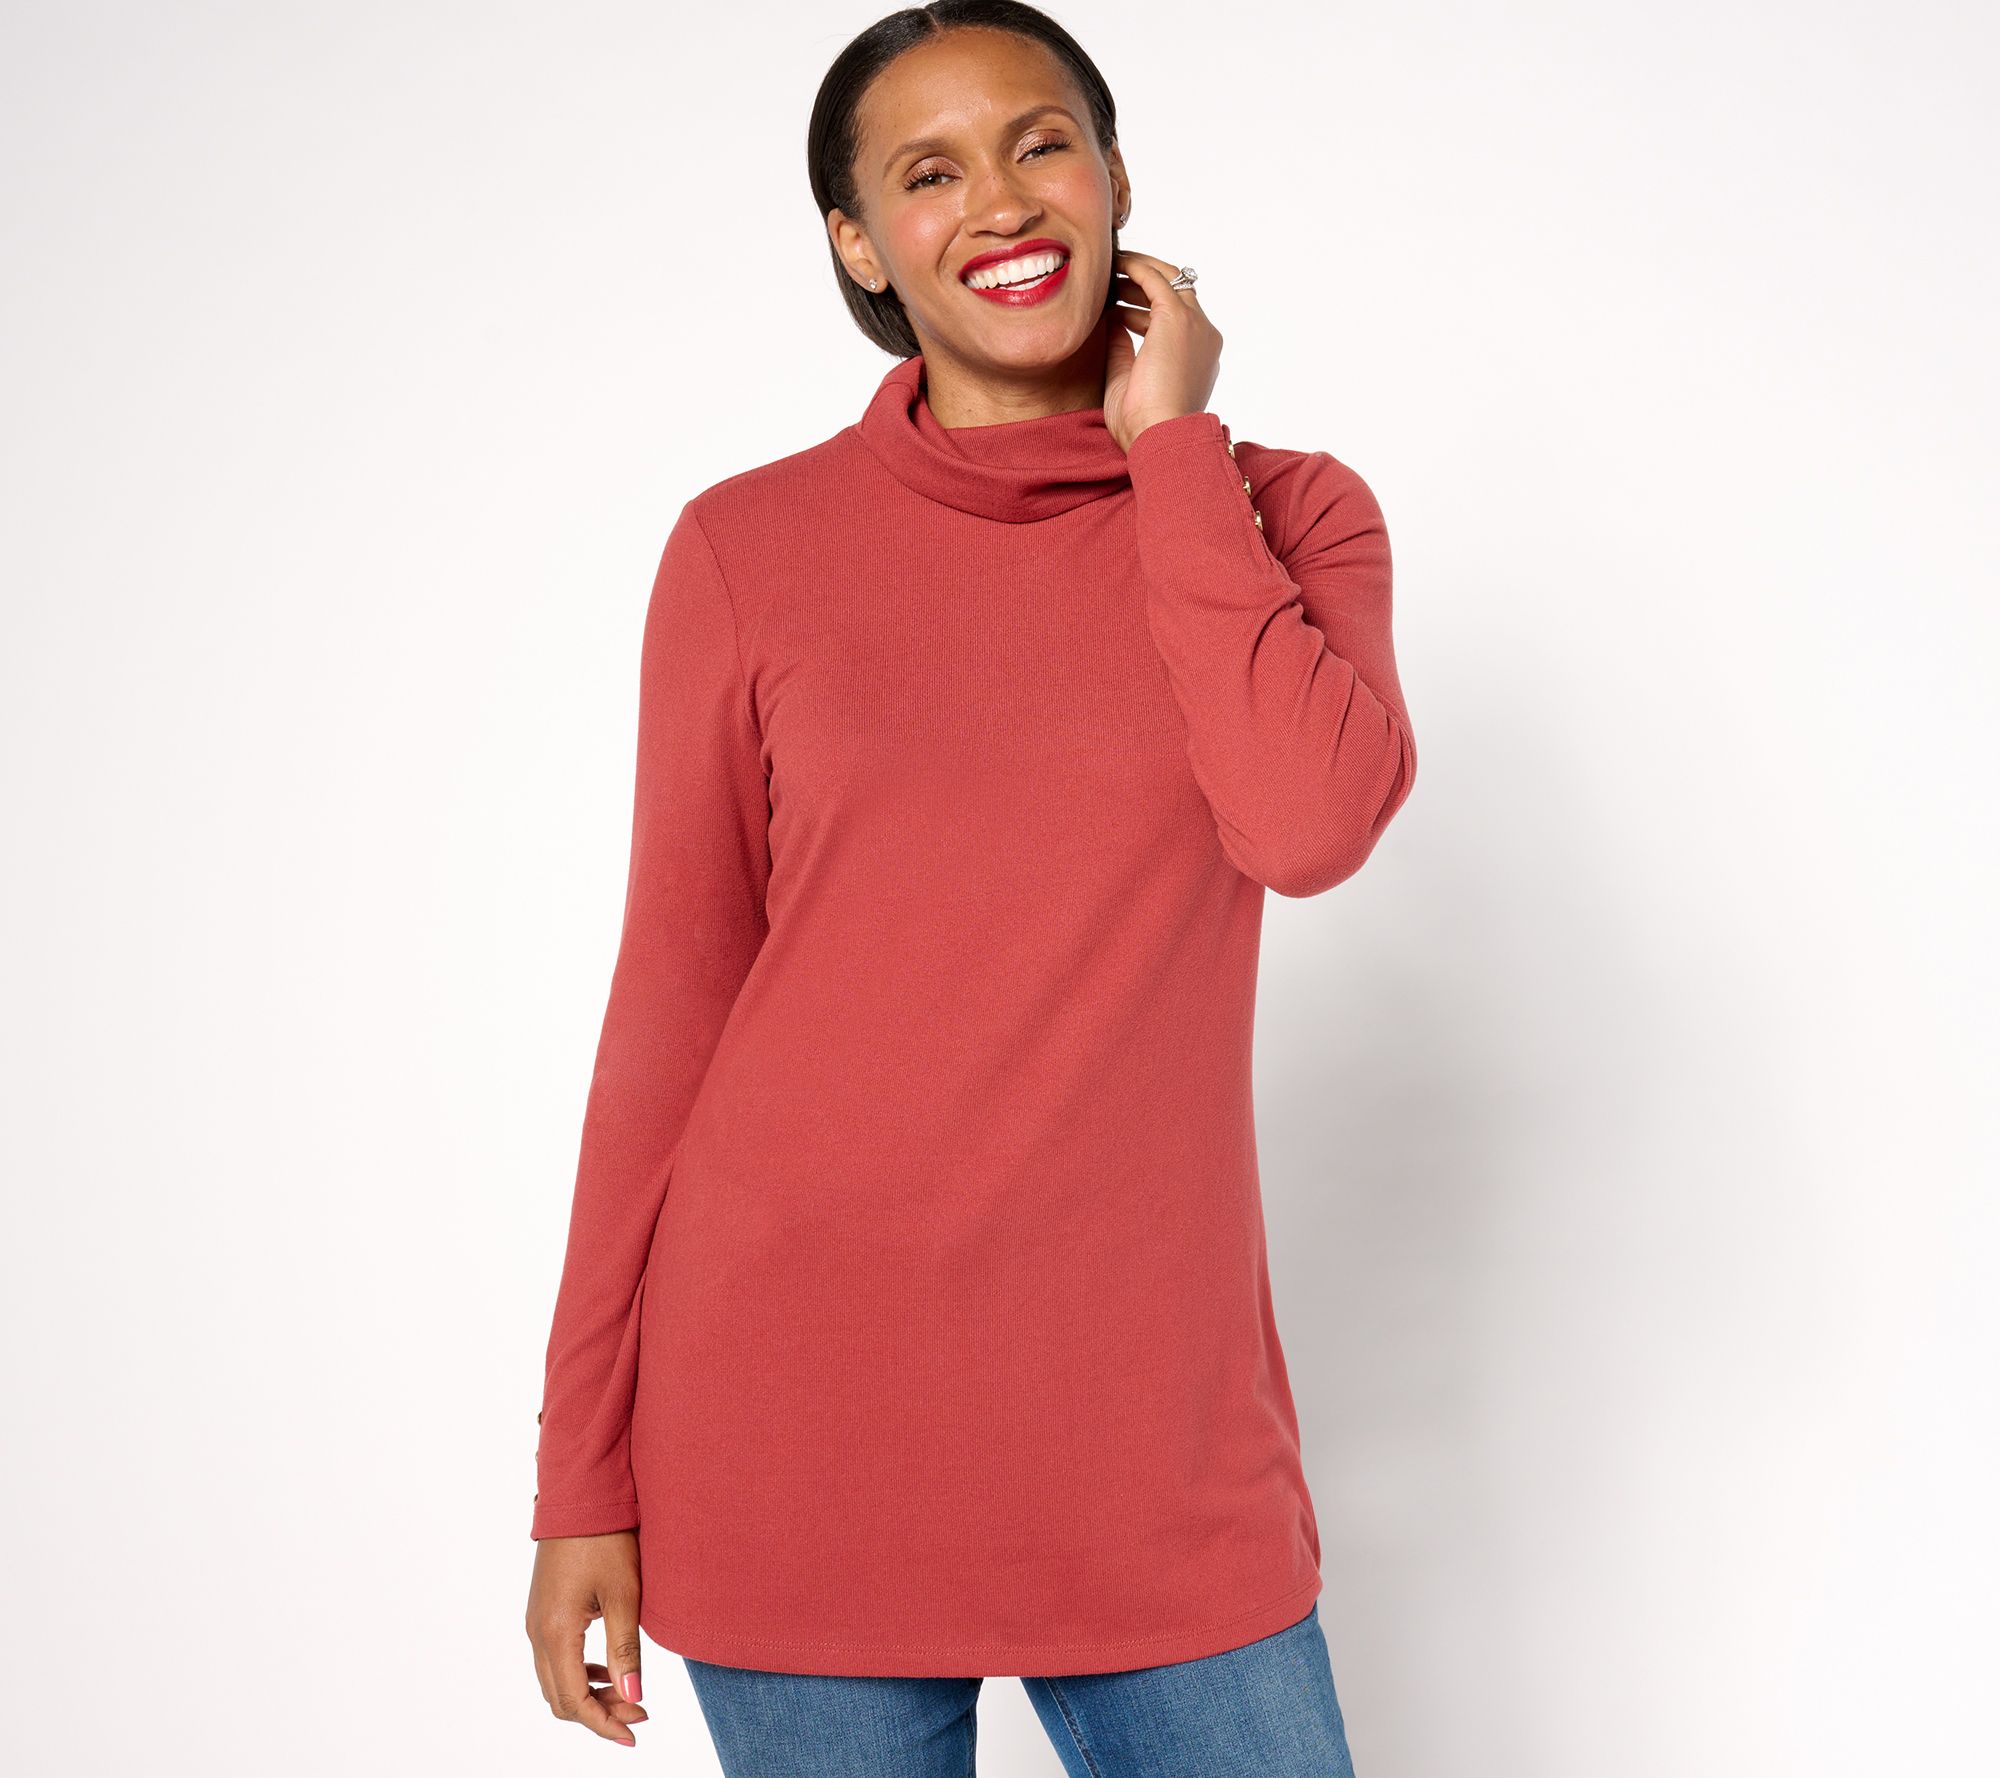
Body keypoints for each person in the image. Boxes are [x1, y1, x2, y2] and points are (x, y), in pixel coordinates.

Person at [523, 2, 1417, 1771]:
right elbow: (672, 1008)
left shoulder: (1287, 514)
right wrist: (581, 1476)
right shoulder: (748, 549)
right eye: (928, 175)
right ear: (860, 244)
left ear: (1115, 180)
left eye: (1040, 143)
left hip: (1153, 1448)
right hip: (792, 1425)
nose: (1001, 202)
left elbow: (1307, 826)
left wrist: (1173, 456)